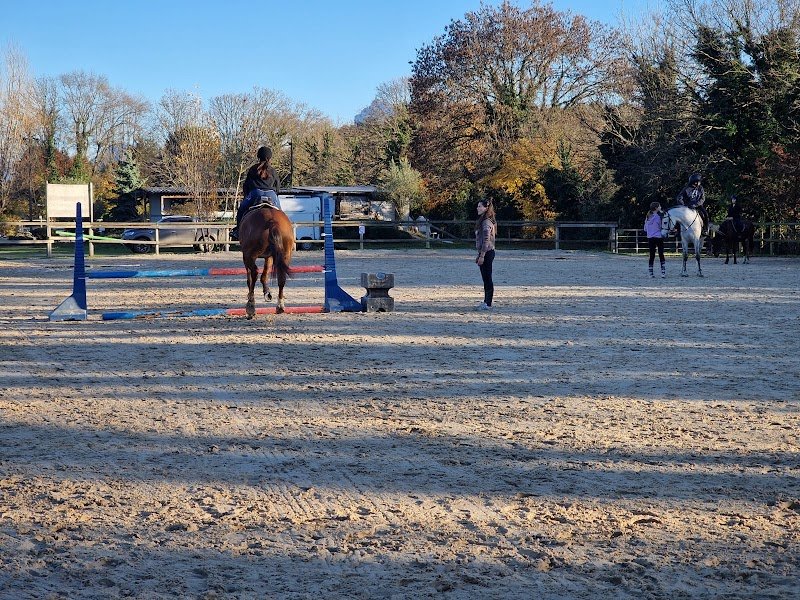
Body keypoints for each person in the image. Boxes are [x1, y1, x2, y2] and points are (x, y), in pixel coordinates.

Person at [230, 146, 281, 241]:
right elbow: (278, 186)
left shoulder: (253, 169)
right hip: (271, 194)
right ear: (269, 158)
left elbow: (246, 185)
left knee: (241, 210)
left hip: (255, 193)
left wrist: (247, 196)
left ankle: (237, 231)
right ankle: (283, 230)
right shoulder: (273, 170)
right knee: (280, 213)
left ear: (258, 157)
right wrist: (275, 194)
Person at [474, 199, 497, 310]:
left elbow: (486, 240)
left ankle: (488, 303)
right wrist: (479, 254)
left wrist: (482, 255)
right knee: (485, 278)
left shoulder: (486, 222)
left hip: (487, 252)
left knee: (487, 278)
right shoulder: (484, 221)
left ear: (486, 208)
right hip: (485, 252)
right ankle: (486, 301)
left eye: (480, 206)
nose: (478, 208)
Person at [644, 201, 666, 278]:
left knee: (652, 255)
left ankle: (651, 273)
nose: (660, 208)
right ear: (656, 208)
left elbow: (645, 229)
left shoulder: (647, 217)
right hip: (659, 237)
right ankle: (663, 272)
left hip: (650, 238)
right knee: (661, 254)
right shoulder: (660, 217)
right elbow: (662, 227)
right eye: (659, 206)